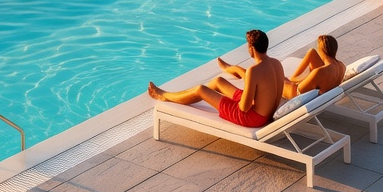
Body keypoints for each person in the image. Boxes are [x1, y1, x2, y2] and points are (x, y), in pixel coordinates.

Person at [148, 29, 285, 128]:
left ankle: (165, 96)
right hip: (265, 113)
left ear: (251, 48)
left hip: (252, 118)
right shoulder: (276, 64)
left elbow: (243, 107)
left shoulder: (253, 71)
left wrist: (237, 101)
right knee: (218, 82)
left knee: (201, 89)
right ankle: (187, 95)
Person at [281, 35, 345, 98]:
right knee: (312, 52)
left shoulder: (319, 71)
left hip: (297, 93)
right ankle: (293, 79)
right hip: (322, 87)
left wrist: (288, 82)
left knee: (279, 76)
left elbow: (299, 91)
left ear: (322, 51)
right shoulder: (342, 67)